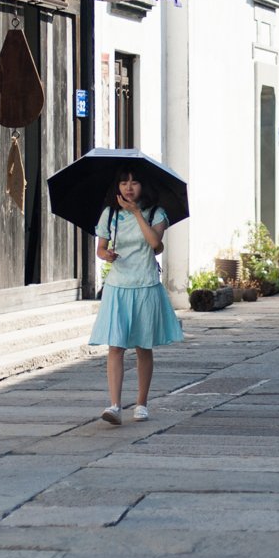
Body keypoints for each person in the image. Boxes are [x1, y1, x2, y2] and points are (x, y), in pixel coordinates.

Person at [91, 166, 184, 424]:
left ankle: (141, 404)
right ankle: (114, 405)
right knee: (116, 346)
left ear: (144, 186)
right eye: (124, 183)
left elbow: (155, 243)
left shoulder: (156, 213)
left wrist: (136, 213)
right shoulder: (109, 214)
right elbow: (100, 248)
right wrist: (106, 255)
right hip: (117, 286)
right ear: (117, 187)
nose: (128, 187)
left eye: (134, 182)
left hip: (145, 284)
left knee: (144, 346)